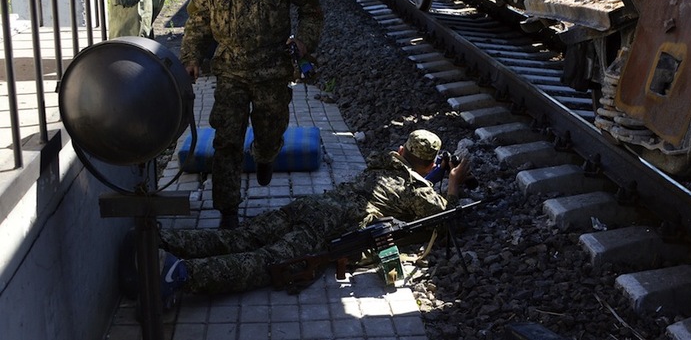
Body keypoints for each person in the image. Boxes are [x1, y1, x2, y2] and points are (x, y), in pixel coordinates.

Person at [152, 130, 471, 301]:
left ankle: (163, 239)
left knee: (241, 236)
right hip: (328, 227)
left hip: (311, 205)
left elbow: (404, 172)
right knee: (265, 262)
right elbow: (447, 220)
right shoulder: (415, 190)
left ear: (402, 152)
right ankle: (180, 275)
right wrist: (452, 182)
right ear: (429, 166)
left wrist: (426, 173)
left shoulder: (382, 163)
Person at [179, 0, 323, 229]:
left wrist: (303, 42)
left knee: (271, 132)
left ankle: (265, 154)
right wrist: (191, 57)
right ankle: (228, 210)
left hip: (272, 68)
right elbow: (198, 20)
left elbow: (312, 5)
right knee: (227, 140)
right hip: (231, 70)